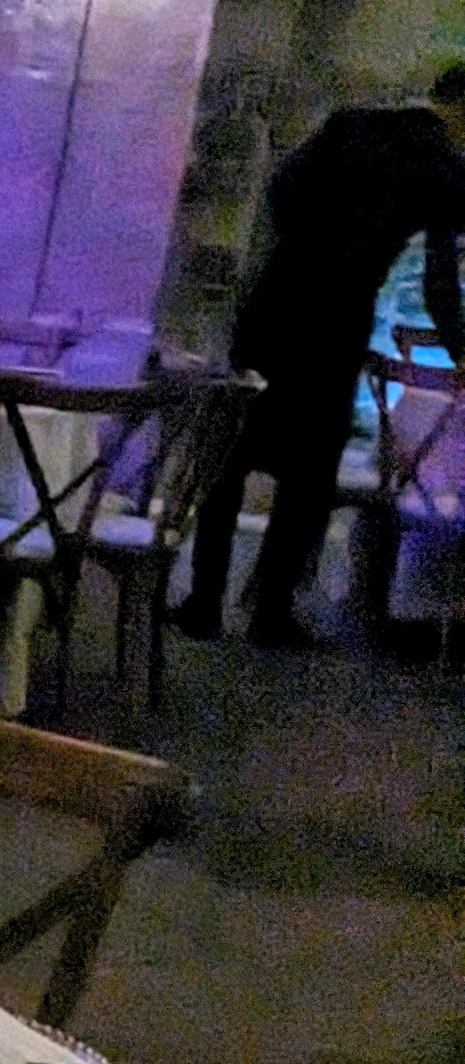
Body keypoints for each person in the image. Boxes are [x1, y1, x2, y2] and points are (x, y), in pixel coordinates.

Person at [177, 74, 465, 646]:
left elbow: (282, 189)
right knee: (308, 474)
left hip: (275, 303)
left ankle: (203, 602)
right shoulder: (444, 169)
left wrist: (307, 246)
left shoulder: (349, 123)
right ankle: (271, 612)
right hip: (337, 320)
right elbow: (438, 280)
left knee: (231, 454)